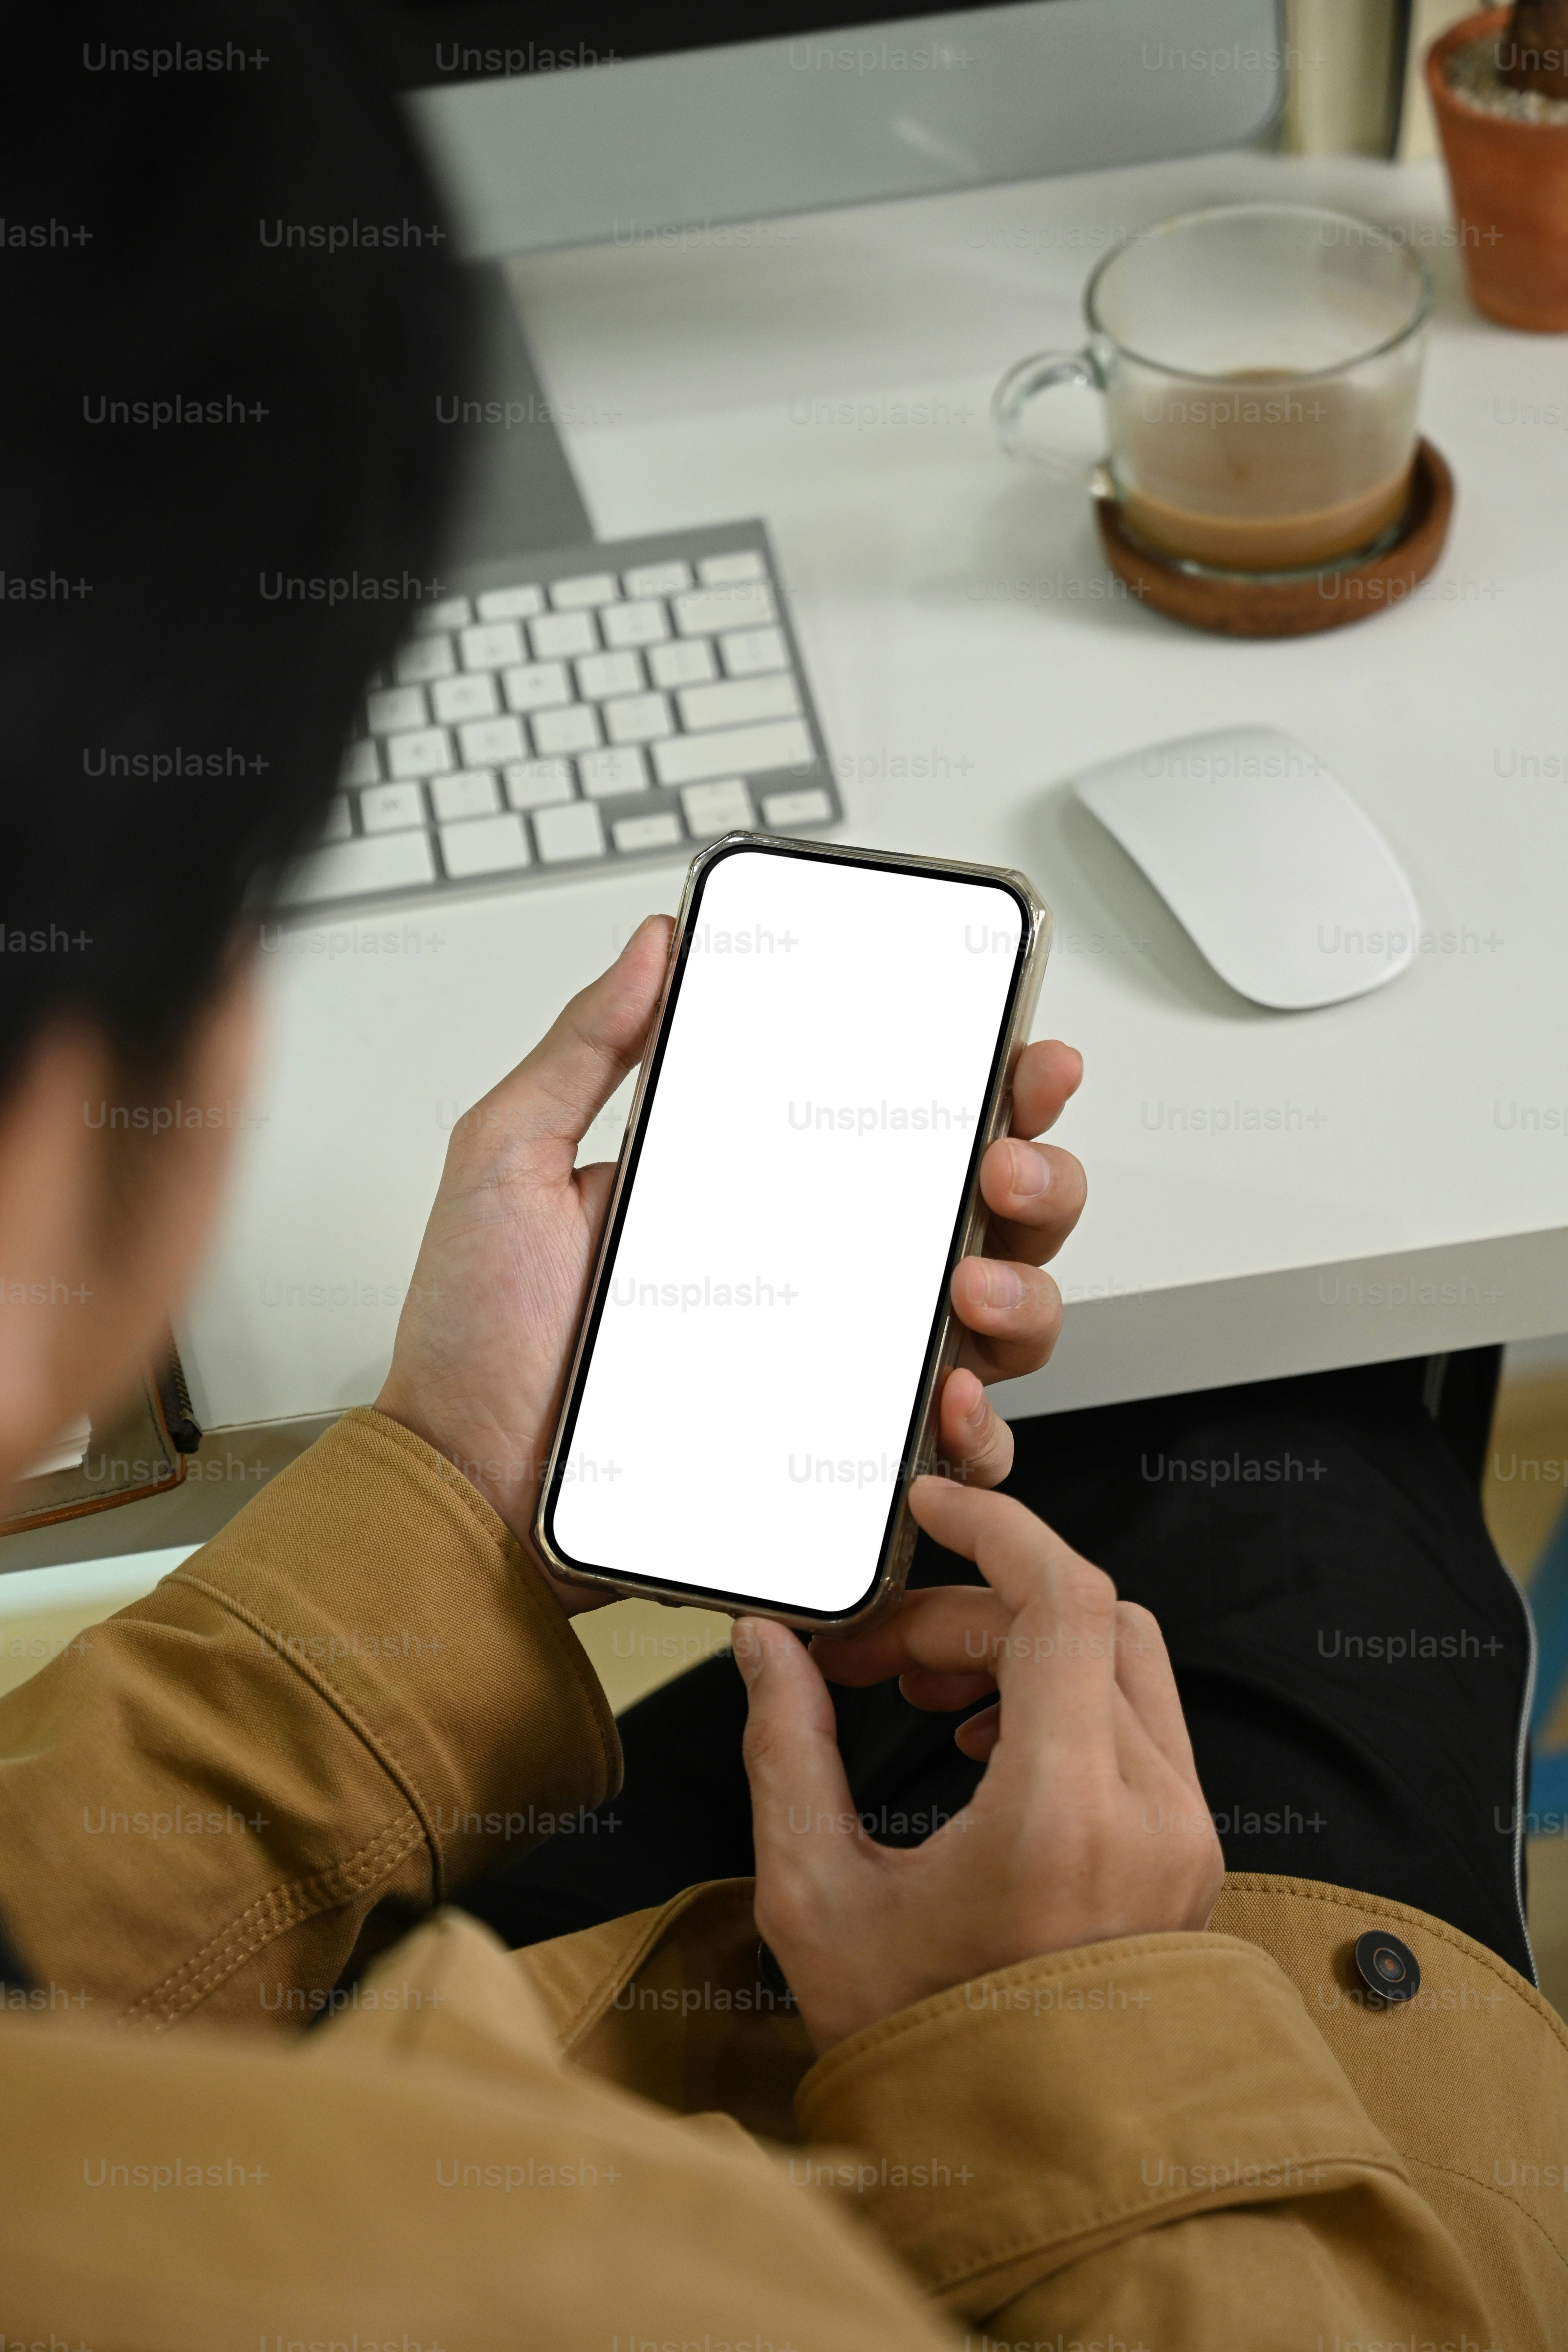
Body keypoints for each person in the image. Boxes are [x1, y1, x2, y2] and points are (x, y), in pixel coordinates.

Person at [0, 5, 1561, 2346]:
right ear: (115, 1136)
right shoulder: (585, 2282)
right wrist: (1078, 2016)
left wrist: (450, 1489)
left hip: (428, 1948)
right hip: (983, 2126)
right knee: (1298, 1466)